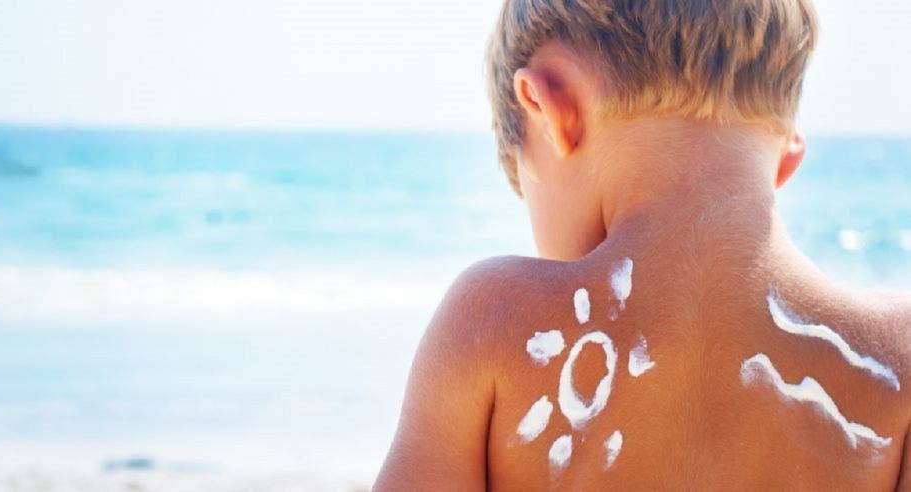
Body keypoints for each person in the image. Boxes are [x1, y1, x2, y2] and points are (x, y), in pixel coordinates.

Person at [375, 1, 911, 489]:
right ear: (786, 162)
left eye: (526, 185)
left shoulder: (490, 326)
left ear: (550, 109)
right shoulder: (897, 363)